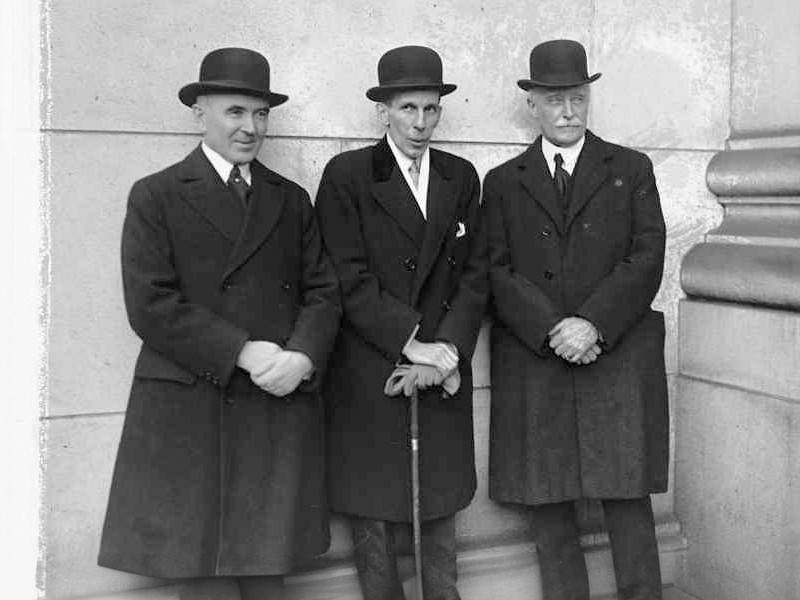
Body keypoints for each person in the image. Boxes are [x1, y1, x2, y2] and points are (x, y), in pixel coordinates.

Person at [97, 47, 341, 600]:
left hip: (274, 401)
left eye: (260, 114)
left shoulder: (290, 200)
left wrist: (302, 357)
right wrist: (242, 351)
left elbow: (324, 291)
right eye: (235, 112)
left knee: (266, 574)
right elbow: (149, 304)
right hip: (194, 406)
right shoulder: (157, 194)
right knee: (205, 576)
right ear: (199, 113)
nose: (250, 127)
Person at [484, 39, 669, 600]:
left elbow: (648, 256)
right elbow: (494, 268)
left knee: (627, 495)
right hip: (539, 357)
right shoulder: (503, 181)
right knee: (549, 500)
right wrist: (551, 329)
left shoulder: (631, 168)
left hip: (614, 352)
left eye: (578, 98)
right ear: (532, 106)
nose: (568, 112)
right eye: (554, 100)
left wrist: (592, 323)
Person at [315, 45, 488, 600]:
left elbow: (476, 274)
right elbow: (344, 273)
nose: (420, 123)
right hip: (372, 366)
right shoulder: (347, 175)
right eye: (408, 108)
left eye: (430, 109)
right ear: (383, 110)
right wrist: (410, 342)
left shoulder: (460, 177)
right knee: (374, 511)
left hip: (442, 366)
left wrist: (448, 351)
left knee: (439, 502)